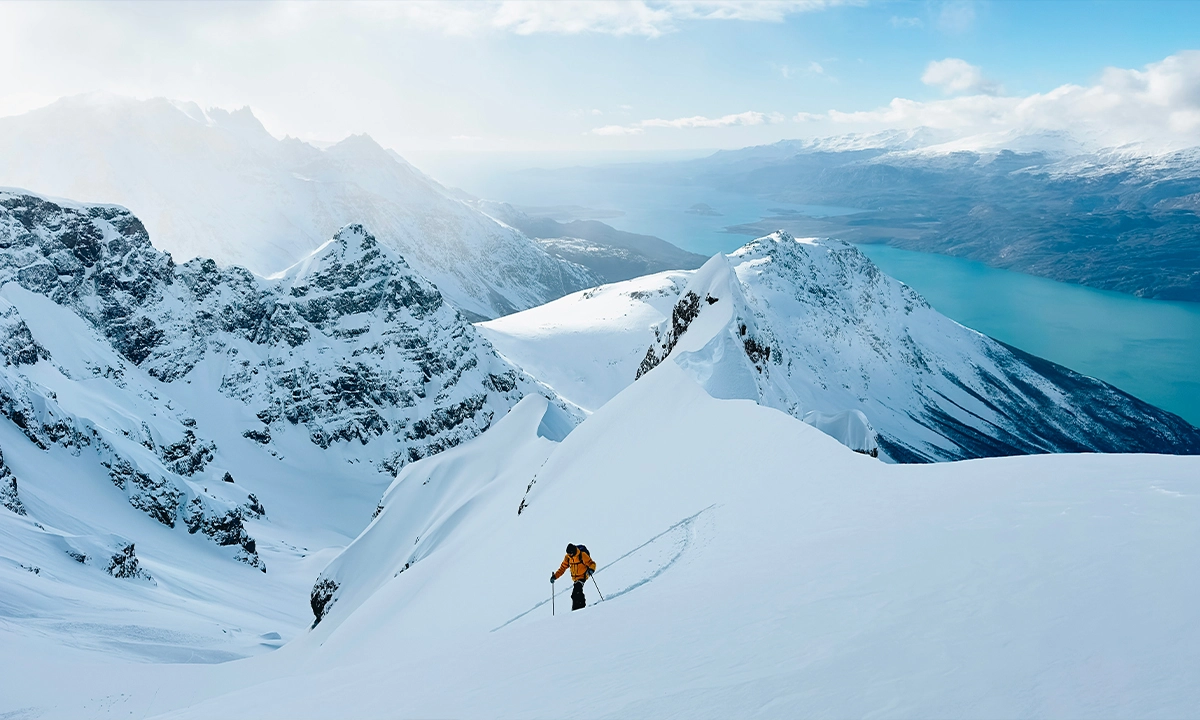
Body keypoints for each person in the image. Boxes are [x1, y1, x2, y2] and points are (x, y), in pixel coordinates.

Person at [551, 543, 596, 611]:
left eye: (570, 554)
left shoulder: (582, 555)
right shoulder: (568, 557)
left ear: (573, 552)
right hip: (575, 578)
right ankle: (579, 607)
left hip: (583, 576)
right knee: (576, 593)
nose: (569, 555)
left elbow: (591, 563)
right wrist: (555, 576)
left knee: (576, 592)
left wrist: (591, 569)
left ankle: (578, 609)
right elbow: (562, 568)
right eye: (568, 554)